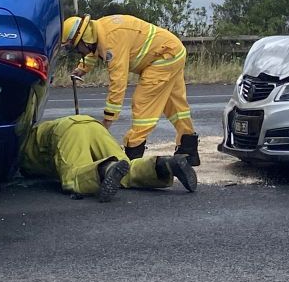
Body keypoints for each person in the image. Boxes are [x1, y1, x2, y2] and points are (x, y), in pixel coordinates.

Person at [62, 14, 200, 164]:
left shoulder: (112, 41)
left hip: (164, 56)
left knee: (143, 103)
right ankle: (189, 149)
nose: (78, 52)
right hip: (173, 51)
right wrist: (83, 68)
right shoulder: (99, 30)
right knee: (174, 104)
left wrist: (108, 120)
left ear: (83, 39)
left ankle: (133, 152)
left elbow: (118, 83)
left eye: (77, 47)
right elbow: (95, 50)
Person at [19, 115, 197, 202]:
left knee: (74, 177)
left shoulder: (20, 148)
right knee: (127, 167)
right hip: (91, 124)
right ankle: (165, 164)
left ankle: (106, 170)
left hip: (66, 132)